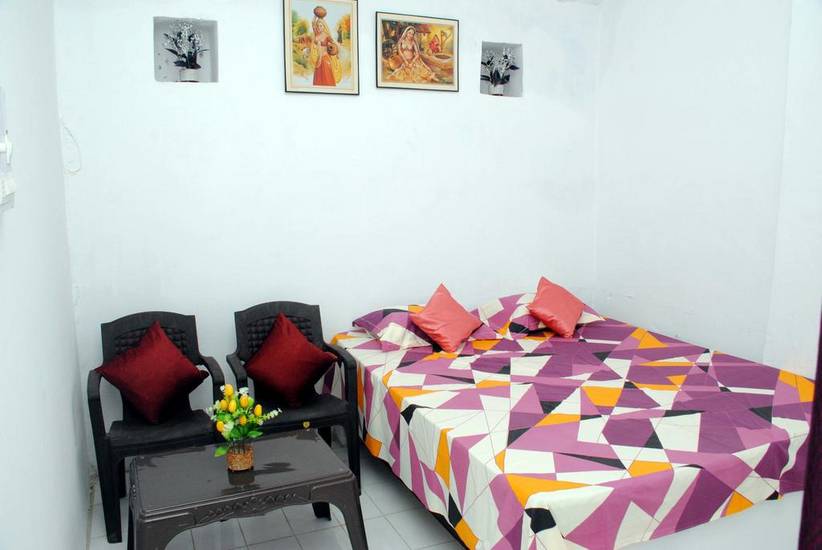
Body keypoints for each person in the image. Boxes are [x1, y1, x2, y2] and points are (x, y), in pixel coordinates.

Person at [310, 7, 342, 86]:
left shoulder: (327, 36)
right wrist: (316, 14)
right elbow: (313, 23)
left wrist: (338, 53)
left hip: (325, 59)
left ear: (324, 26)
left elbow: (336, 44)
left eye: (321, 26)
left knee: (327, 78)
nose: (319, 27)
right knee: (318, 79)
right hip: (319, 59)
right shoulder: (316, 34)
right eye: (318, 26)